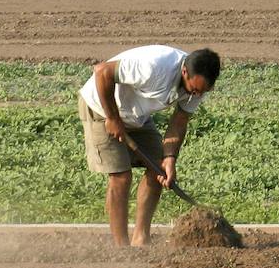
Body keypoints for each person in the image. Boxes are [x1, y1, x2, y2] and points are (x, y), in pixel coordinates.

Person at [77, 45, 221, 247]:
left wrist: (170, 158)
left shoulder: (198, 88)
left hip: (135, 116)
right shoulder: (155, 66)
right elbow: (102, 71)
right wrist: (112, 118)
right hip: (101, 107)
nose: (196, 95)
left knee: (158, 170)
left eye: (202, 92)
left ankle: (141, 238)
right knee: (121, 176)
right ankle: (122, 247)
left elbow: (179, 121)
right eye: (194, 90)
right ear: (184, 71)